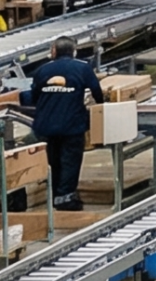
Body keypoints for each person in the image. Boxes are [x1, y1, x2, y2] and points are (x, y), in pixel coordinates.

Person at [8, 37, 103, 210]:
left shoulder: (42, 70)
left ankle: (56, 196)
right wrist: (100, 109)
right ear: (73, 51)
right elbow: (97, 91)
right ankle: (65, 198)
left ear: (54, 51)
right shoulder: (83, 68)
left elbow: (35, 97)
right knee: (70, 161)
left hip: (45, 126)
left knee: (54, 162)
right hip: (71, 126)